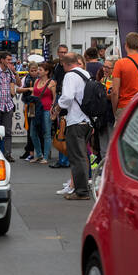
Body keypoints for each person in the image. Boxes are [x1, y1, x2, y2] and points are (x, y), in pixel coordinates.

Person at [57, 53, 93, 199]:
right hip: (87, 120)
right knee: (82, 156)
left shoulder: (70, 76)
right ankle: (83, 188)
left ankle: (81, 191)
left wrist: (58, 107)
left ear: (65, 64)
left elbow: (67, 97)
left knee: (77, 157)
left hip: (75, 120)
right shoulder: (86, 74)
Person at [111, 32, 138, 119]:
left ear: (126, 45)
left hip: (124, 106)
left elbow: (115, 92)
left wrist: (115, 110)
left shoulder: (120, 63)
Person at [48, 44, 72, 169]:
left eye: (65, 52)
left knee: (64, 128)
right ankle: (62, 159)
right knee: (59, 128)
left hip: (66, 98)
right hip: (59, 97)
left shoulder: (69, 67)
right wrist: (54, 102)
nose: (63, 54)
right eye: (61, 52)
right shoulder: (57, 66)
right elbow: (54, 83)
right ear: (58, 53)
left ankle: (65, 159)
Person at [30, 62, 55, 163]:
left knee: (46, 133)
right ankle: (39, 154)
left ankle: (45, 156)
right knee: (33, 133)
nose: (38, 71)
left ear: (47, 72)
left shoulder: (51, 83)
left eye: (40, 70)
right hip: (35, 109)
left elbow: (54, 98)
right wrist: (31, 109)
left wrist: (52, 109)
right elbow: (33, 94)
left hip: (46, 109)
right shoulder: (36, 81)